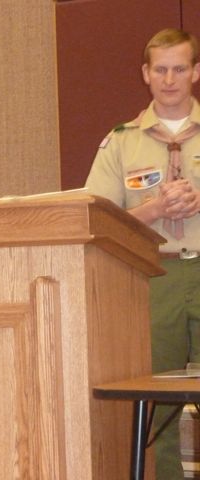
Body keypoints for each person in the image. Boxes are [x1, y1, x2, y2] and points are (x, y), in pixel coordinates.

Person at [85, 28, 200, 479]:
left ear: (195, 72)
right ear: (145, 74)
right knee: (158, 406)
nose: (170, 80)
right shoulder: (121, 142)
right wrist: (155, 208)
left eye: (179, 69)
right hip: (155, 277)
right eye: (161, 70)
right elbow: (100, 218)